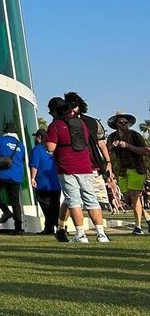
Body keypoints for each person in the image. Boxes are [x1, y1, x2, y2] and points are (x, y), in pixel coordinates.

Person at [46, 98, 109, 245]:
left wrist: (46, 142)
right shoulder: (81, 123)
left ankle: (81, 234)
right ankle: (101, 234)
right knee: (91, 199)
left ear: (54, 111)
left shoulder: (55, 125)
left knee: (74, 201)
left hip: (66, 167)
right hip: (85, 166)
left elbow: (50, 147)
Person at [106, 111, 149, 236]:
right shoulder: (112, 137)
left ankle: (138, 227)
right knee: (127, 199)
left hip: (136, 168)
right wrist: (112, 147)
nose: (124, 124)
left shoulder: (135, 135)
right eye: (121, 122)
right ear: (116, 123)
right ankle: (147, 217)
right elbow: (106, 153)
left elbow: (146, 151)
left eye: (126, 122)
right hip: (122, 171)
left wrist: (128, 146)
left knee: (135, 196)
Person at [0, 123, 26, 234]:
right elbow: (22, 158)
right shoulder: (20, 144)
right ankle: (18, 228)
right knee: (15, 202)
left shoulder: (0, 140)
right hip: (16, 176)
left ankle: (6, 211)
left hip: (3, 175)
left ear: (5, 131)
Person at [29, 128, 61, 235]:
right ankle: (54, 227)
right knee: (55, 206)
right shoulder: (55, 148)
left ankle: (51, 226)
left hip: (43, 183)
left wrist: (32, 178)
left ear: (39, 138)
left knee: (46, 206)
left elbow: (34, 165)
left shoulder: (37, 150)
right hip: (56, 183)